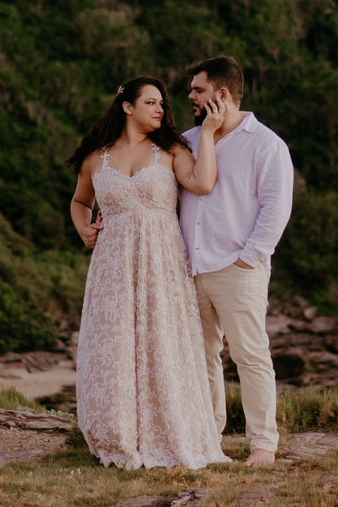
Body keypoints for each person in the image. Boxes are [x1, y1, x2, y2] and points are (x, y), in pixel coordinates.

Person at [68, 75, 231, 469]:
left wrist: (207, 132)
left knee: (162, 342)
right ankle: (118, 432)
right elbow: (79, 201)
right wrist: (84, 229)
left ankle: (167, 430)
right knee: (116, 343)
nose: (161, 108)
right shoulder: (96, 157)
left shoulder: (172, 149)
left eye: (162, 103)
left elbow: (203, 182)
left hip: (160, 261)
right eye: (151, 102)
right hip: (112, 264)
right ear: (127, 106)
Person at [179, 56, 293, 468]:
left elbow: (276, 208)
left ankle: (263, 445)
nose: (190, 96)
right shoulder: (188, 140)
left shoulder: (266, 144)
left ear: (221, 95)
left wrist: (249, 259)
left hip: (237, 268)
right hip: (190, 268)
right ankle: (210, 439)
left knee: (250, 355)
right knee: (201, 355)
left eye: (198, 90)